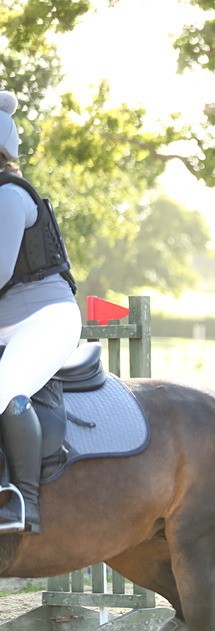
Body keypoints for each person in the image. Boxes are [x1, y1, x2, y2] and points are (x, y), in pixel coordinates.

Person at [0, 90, 82, 534]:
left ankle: (24, 504)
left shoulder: (9, 196)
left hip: (44, 320)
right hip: (6, 327)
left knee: (4, 389)